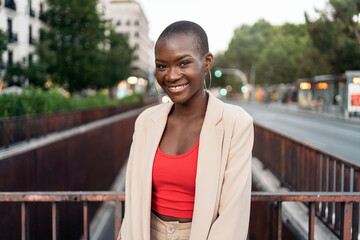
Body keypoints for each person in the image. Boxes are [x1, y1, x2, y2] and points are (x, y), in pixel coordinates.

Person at [118, 20, 253, 240]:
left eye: (183, 63)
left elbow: (232, 217)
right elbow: (133, 200)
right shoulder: (145, 121)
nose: (171, 76)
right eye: (162, 66)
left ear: (207, 62)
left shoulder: (235, 123)